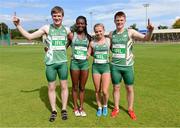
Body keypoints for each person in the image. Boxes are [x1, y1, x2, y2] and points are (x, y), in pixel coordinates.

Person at [13, 6, 70, 121]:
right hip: (51, 64)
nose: (57, 18)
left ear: (62, 16)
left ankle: (64, 109)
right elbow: (29, 36)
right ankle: (54, 110)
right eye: (54, 16)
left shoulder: (67, 30)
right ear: (52, 17)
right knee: (51, 87)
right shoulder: (47, 28)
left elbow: (73, 41)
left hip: (63, 63)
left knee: (64, 86)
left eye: (59, 16)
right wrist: (18, 25)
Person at [109, 11, 154, 120]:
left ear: (124, 21)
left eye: (121, 20)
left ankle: (130, 109)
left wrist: (150, 30)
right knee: (116, 88)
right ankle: (116, 108)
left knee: (129, 88)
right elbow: (111, 47)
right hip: (115, 66)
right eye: (117, 20)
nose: (119, 22)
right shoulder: (111, 34)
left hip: (127, 66)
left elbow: (146, 39)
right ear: (114, 21)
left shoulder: (130, 32)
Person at [67, 16, 91, 117]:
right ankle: (75, 107)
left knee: (82, 87)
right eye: (78, 23)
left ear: (85, 24)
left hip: (84, 64)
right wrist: (50, 49)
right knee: (75, 86)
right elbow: (64, 47)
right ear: (76, 24)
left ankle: (81, 107)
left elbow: (92, 49)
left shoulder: (89, 37)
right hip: (75, 63)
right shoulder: (72, 35)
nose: (80, 25)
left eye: (82, 23)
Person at [88, 23, 111, 117]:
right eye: (96, 31)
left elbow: (117, 48)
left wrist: (130, 53)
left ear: (104, 30)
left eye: (100, 31)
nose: (98, 33)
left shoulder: (109, 40)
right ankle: (99, 107)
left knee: (105, 91)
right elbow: (88, 54)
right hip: (96, 68)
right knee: (97, 90)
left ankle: (105, 105)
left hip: (106, 68)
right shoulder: (92, 43)